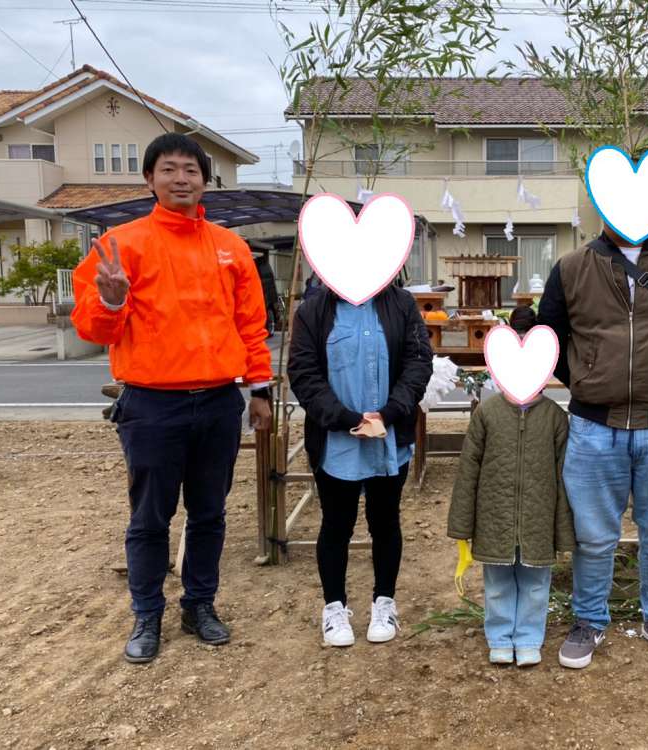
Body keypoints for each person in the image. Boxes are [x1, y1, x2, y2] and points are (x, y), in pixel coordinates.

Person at [71, 133, 273, 664]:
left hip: (219, 402)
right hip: (150, 404)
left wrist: (259, 390)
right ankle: (147, 614)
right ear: (149, 179)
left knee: (209, 513)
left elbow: (251, 325)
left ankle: (199, 605)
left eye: (190, 170)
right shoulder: (122, 245)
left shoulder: (230, 248)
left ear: (205, 181)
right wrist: (111, 300)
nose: (180, 178)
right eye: (168, 169)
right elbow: (93, 328)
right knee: (149, 517)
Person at [537, 221, 648, 670]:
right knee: (593, 536)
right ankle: (588, 619)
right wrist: (587, 377)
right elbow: (549, 336)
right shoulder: (572, 267)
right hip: (594, 426)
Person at [287, 272, 433, 648]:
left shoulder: (401, 304)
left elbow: (418, 362)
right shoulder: (314, 311)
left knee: (385, 521)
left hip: (389, 436)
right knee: (337, 524)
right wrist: (347, 418)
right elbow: (303, 373)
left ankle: (384, 601)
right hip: (337, 439)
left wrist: (390, 412)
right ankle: (334, 607)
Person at [447, 306, 575, 667]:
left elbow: (563, 476)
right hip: (494, 517)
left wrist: (564, 530)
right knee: (498, 581)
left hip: (538, 518)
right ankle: (500, 637)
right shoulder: (487, 414)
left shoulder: (555, 418)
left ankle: (529, 637)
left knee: (535, 583)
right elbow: (468, 469)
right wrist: (462, 523)